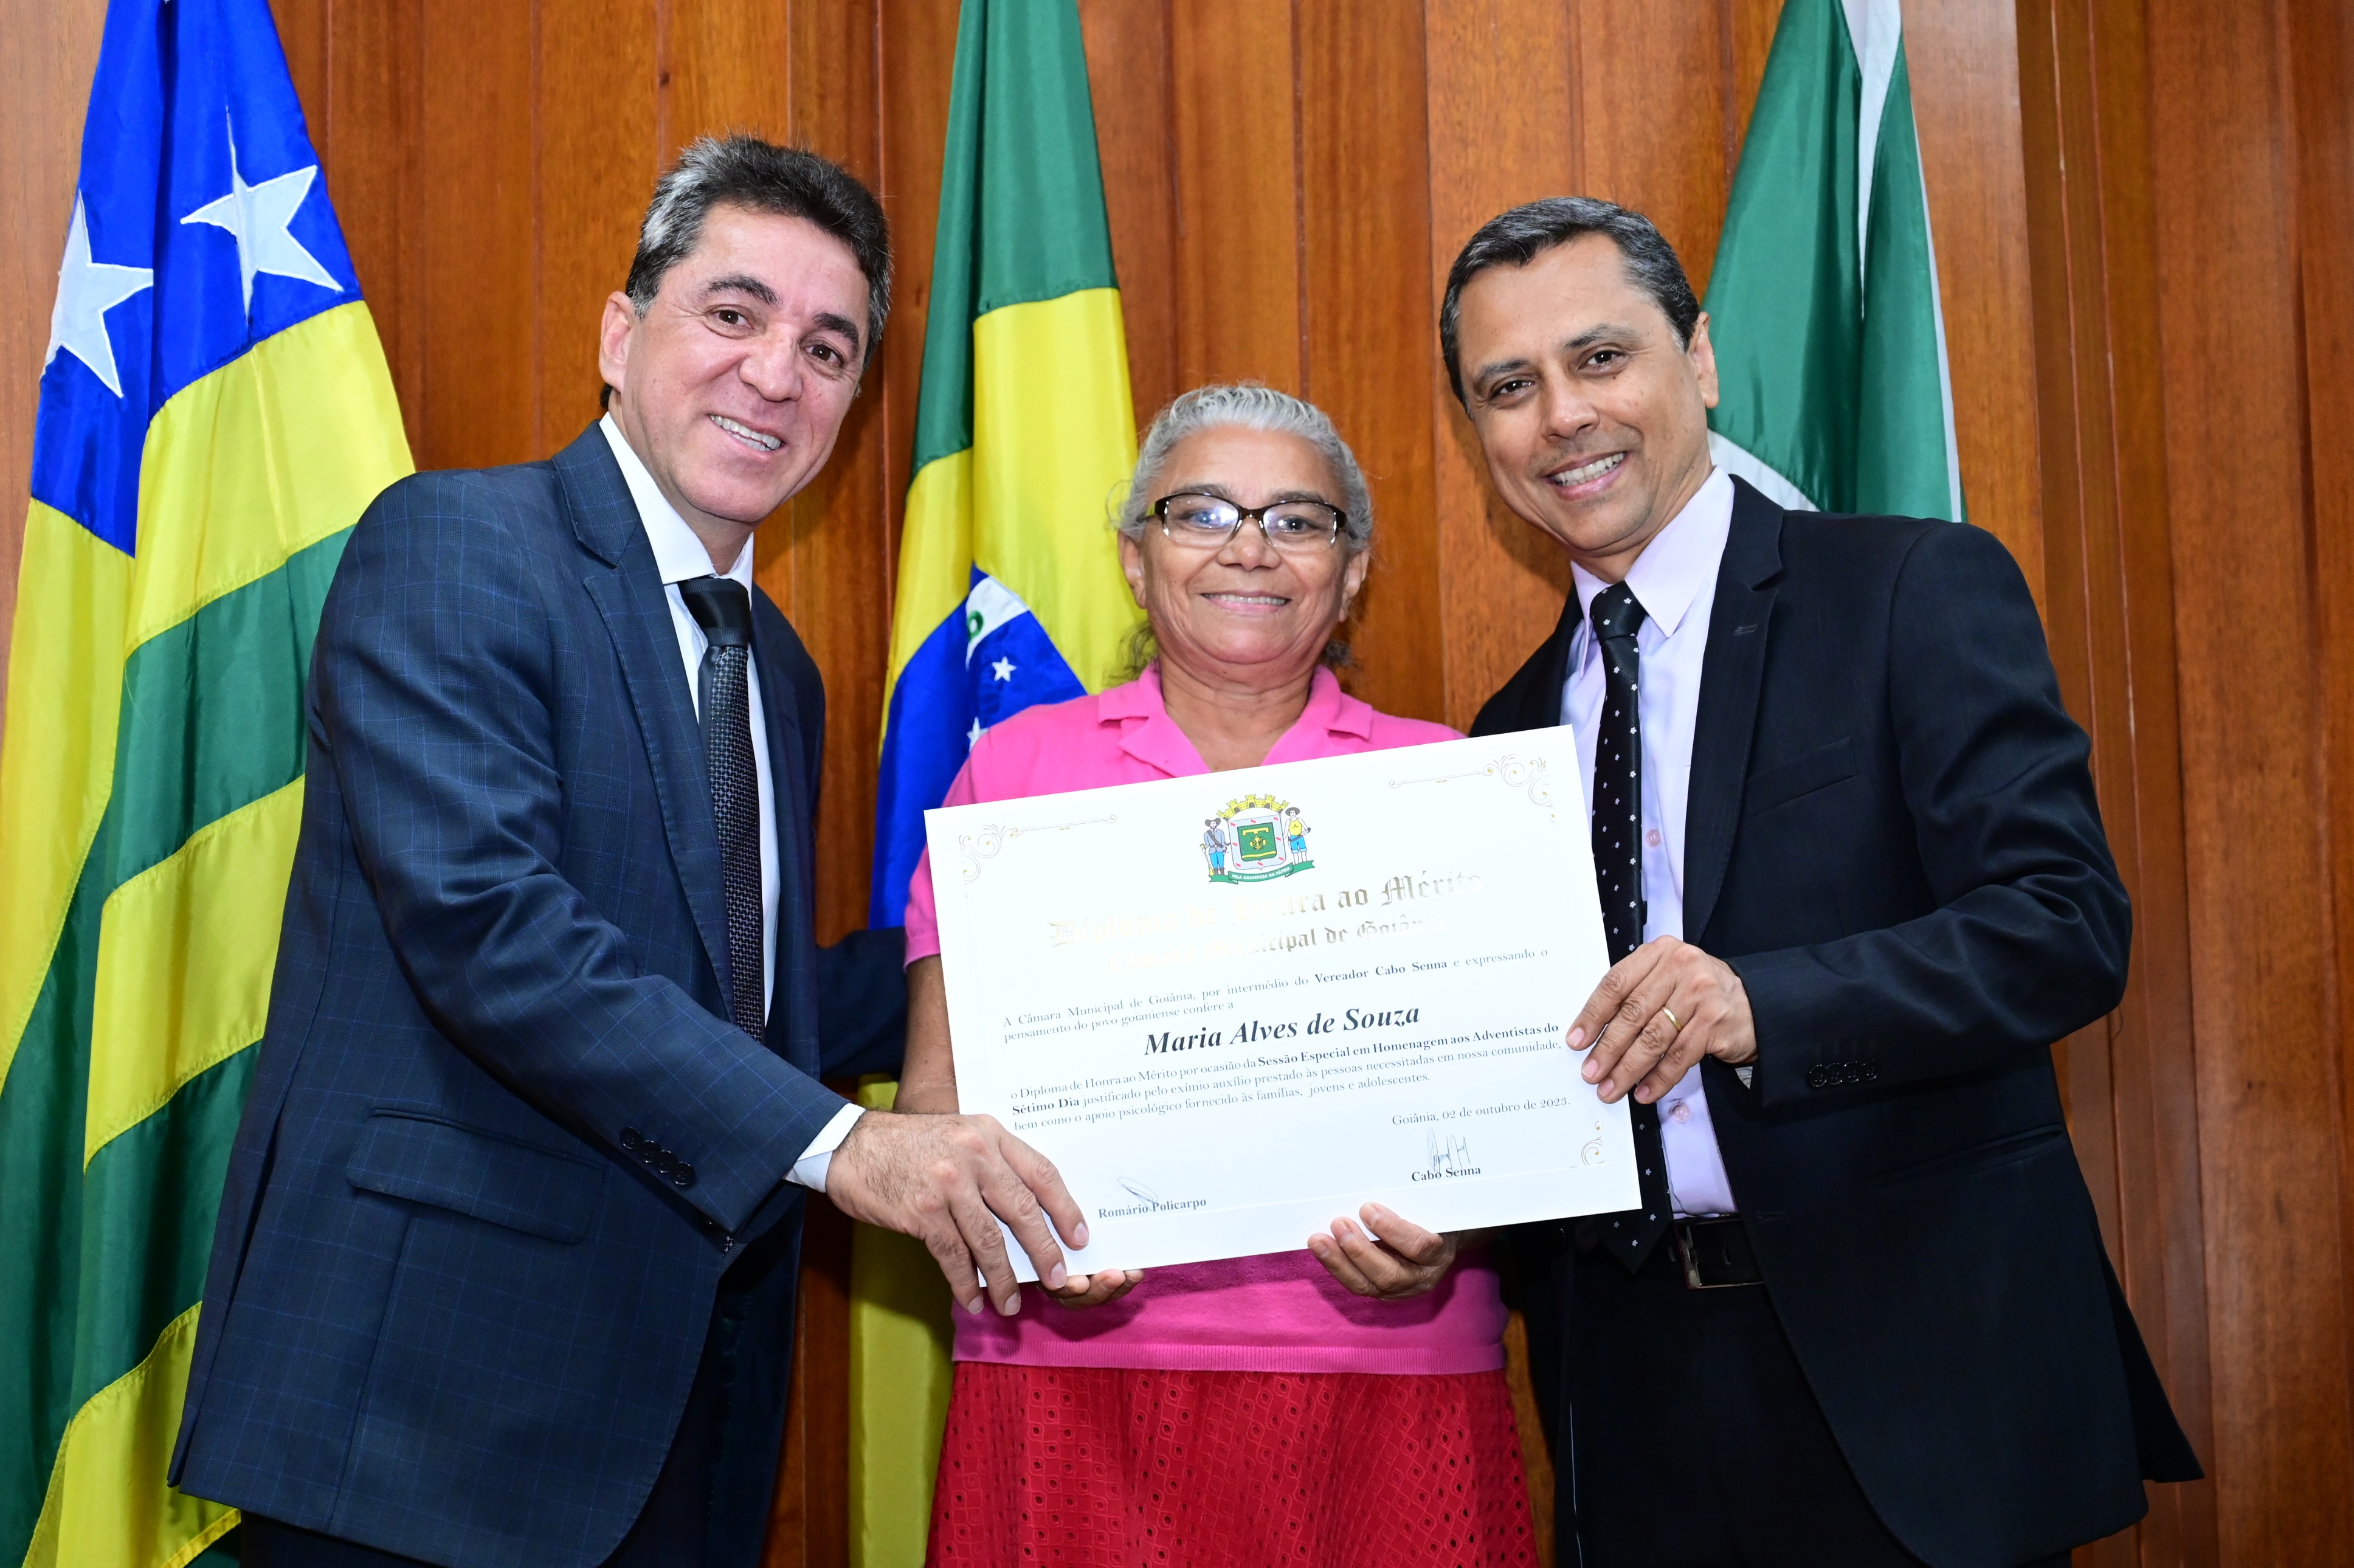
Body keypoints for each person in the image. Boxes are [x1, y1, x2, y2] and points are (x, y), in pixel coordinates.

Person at [170, 137, 1088, 1568]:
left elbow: (747, 1005)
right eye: (733, 313)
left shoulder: (777, 669)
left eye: (828, 348)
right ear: (619, 334)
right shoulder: (457, 545)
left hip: (685, 1415)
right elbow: (492, 930)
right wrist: (848, 1147)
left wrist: (1026, 947)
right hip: (424, 1409)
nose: (776, 374)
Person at [1443, 196, 2201, 1568]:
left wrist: (1764, 1005)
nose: (1562, 415)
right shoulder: (1503, 733)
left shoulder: (1908, 590)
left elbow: (2064, 924)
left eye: (1601, 358)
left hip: (1912, 1384)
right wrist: (1432, 1218)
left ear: (1700, 359)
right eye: (1509, 387)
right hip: (1628, 1401)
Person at [898, 385, 1534, 1567]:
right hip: (1072, 1376)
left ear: (1351, 572)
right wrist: (1027, 1237)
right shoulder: (1011, 779)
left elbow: (1517, 1121)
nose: (1249, 547)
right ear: (1135, 560)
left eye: (1298, 520)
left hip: (1386, 1374)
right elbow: (933, 1103)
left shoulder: (1445, 784)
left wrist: (1457, 1231)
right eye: (1200, 513)